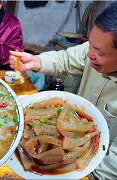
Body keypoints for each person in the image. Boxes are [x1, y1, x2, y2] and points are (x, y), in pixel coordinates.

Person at [9, 2, 117, 179]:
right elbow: (69, 58)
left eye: (98, 52)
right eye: (89, 44)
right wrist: (37, 62)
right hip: (73, 126)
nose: (89, 54)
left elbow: (114, 163)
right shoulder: (94, 49)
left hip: (97, 167)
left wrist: (91, 176)